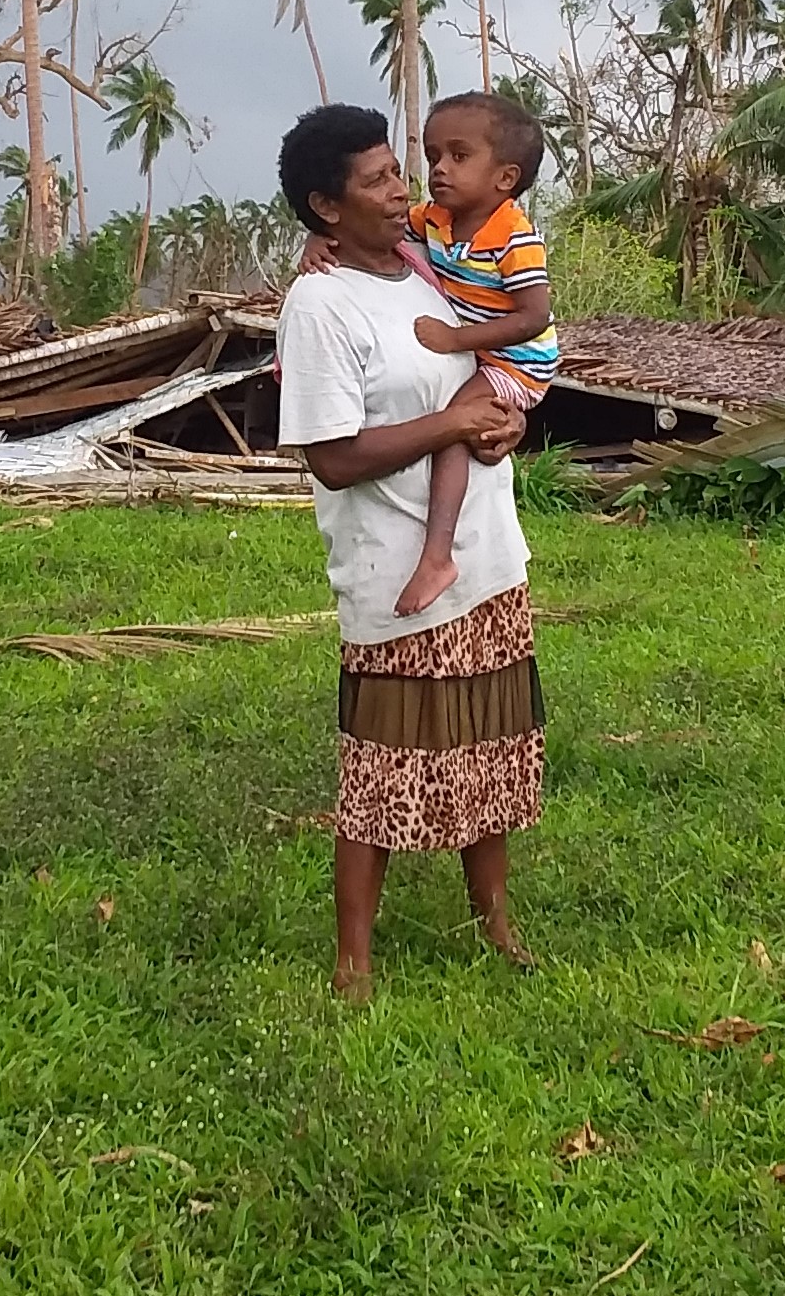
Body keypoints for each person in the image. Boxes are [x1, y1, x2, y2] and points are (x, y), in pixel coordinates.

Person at [273, 103, 545, 998]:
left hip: (489, 557)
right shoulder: (318, 304)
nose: (404, 190)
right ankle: (354, 959)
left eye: (403, 170)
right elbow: (332, 456)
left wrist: (495, 425)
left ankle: (493, 919)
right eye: (380, 179)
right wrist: (453, 418)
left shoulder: (432, 266)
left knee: (491, 745)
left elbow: (494, 366)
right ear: (325, 207)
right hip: (398, 575)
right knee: (380, 772)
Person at [300, 92, 559, 619]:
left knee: (460, 431)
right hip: (386, 578)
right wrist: (313, 237)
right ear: (327, 204)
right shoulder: (424, 235)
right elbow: (331, 459)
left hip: (518, 366)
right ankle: (436, 556)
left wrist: (473, 374)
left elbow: (534, 318)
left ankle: (439, 554)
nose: (414, 184)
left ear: (504, 178)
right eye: (433, 157)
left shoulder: (503, 240)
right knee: (458, 428)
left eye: (457, 158)